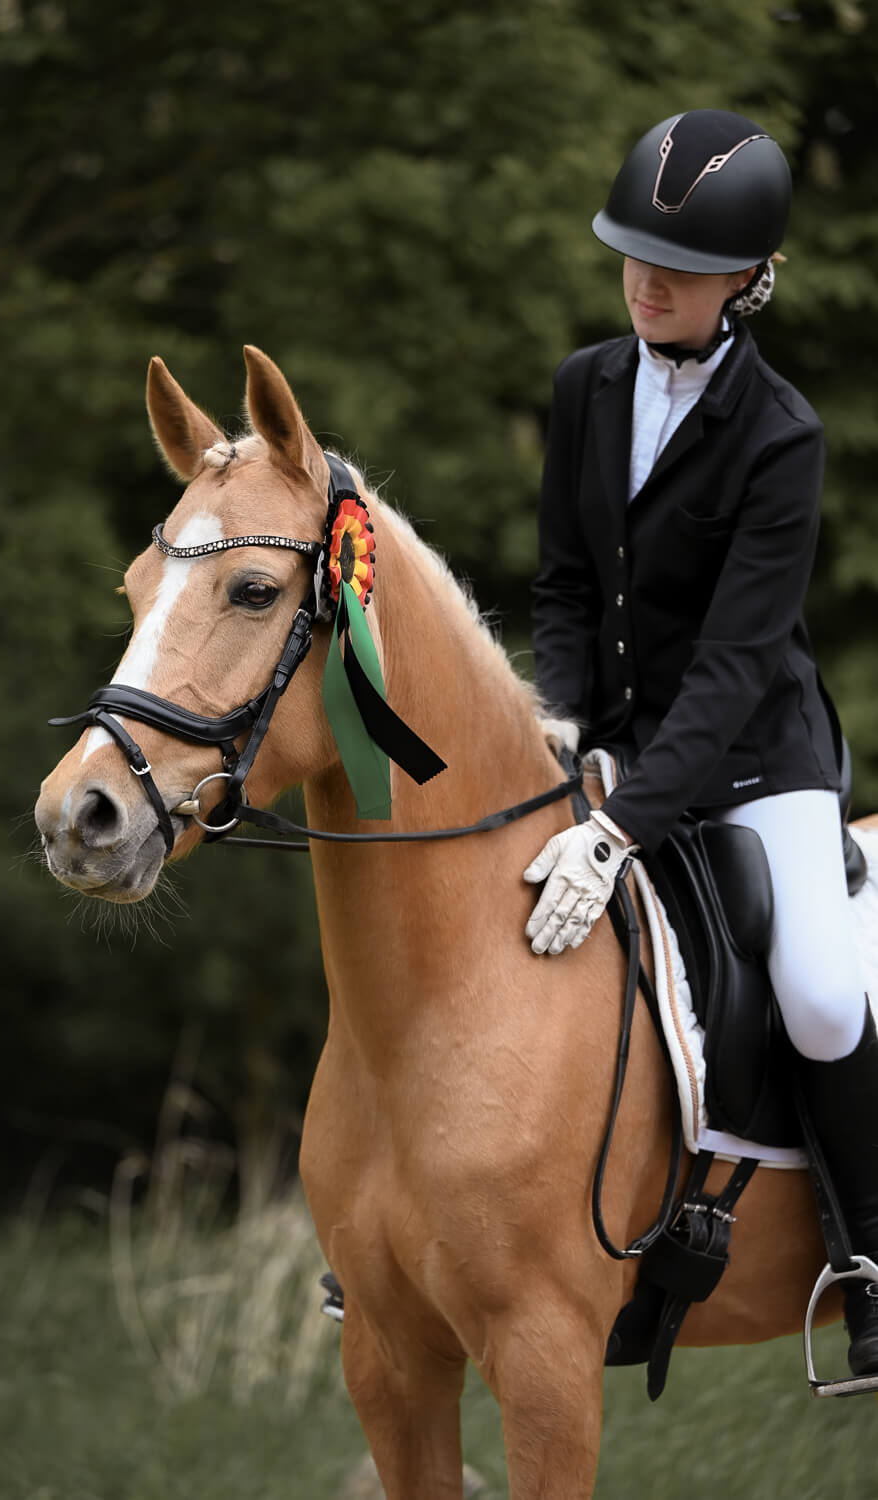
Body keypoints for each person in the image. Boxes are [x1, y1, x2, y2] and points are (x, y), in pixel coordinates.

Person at [524, 108, 878, 1383]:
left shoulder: (781, 434)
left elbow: (734, 665)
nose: (646, 279)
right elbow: (563, 588)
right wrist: (557, 722)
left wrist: (621, 823)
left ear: (751, 280)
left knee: (823, 996)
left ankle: (865, 1259)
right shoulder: (584, 386)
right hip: (606, 741)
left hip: (752, 757)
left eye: (679, 264)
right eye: (630, 252)